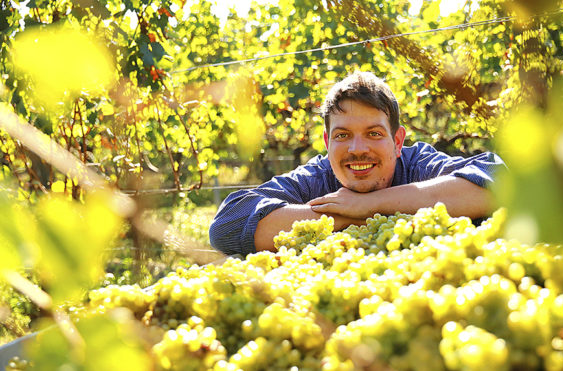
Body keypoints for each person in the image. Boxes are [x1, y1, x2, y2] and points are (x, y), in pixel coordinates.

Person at [209, 71, 505, 256]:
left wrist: (371, 204)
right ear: (327, 143)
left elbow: (501, 180)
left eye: (374, 134)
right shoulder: (316, 177)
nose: (357, 149)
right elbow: (227, 225)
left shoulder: (419, 165)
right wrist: (346, 215)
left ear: (398, 141)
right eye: (343, 135)